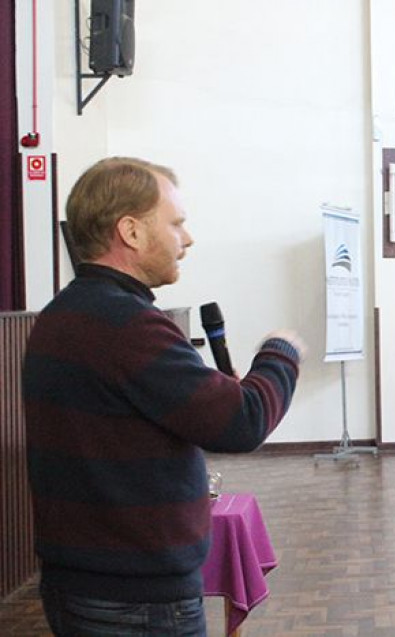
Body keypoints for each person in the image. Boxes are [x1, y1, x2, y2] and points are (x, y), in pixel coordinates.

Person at [22, 158, 307, 637]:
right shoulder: (126, 326)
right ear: (131, 231)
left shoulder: (64, 315)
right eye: (176, 223)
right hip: (136, 598)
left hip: (83, 582)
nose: (188, 239)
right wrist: (281, 353)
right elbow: (244, 421)